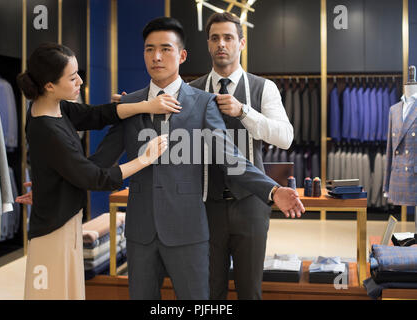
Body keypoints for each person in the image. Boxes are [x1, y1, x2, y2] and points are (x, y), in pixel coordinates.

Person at [90, 17, 305, 300]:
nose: (156, 57)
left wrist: (273, 190)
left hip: (206, 222)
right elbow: (98, 161)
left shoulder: (209, 101)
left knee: (241, 291)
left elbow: (233, 158)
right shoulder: (132, 105)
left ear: (181, 55)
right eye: (149, 49)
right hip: (152, 227)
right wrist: (57, 183)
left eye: (165, 49)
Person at [16, 42, 177, 300]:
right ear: (49, 85)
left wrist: (145, 106)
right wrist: (145, 159)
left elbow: (96, 115)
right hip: (52, 230)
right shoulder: (47, 129)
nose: (80, 81)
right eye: (72, 77)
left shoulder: (55, 106)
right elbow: (95, 177)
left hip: (64, 219)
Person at [188, 12, 295, 300]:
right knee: (209, 292)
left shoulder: (264, 88)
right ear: (208, 44)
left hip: (251, 205)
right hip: (205, 206)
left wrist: (243, 111)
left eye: (228, 37)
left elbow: (285, 137)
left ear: (242, 43)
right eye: (215, 38)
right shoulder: (192, 91)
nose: (221, 44)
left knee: (250, 290)